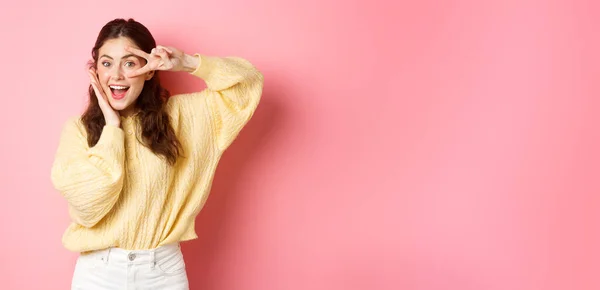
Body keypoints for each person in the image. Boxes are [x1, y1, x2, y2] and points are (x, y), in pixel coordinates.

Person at [50, 18, 263, 290]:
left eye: (129, 63)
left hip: (162, 272)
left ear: (149, 70)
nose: (116, 75)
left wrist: (187, 62)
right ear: (96, 70)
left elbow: (248, 84)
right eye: (106, 63)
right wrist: (113, 128)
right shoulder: (78, 131)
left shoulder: (184, 117)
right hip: (98, 274)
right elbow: (89, 206)